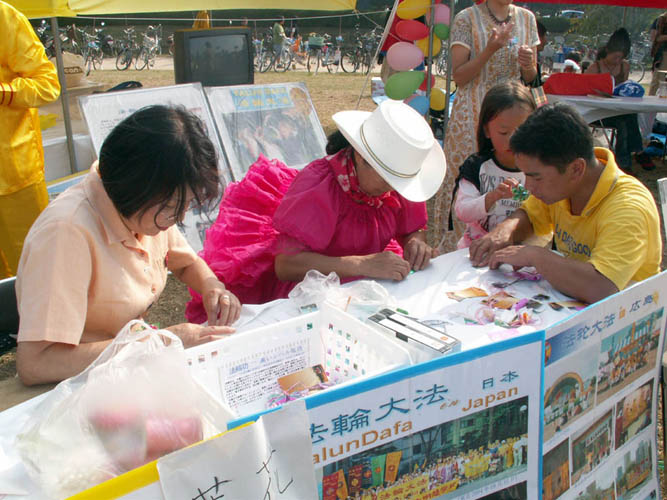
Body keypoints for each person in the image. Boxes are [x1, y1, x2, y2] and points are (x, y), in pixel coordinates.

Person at [15, 106, 242, 386]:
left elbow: (186, 263)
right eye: (172, 206)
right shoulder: (66, 233)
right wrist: (161, 342)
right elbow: (38, 363)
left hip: (123, 367)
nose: (180, 217)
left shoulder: (143, 212)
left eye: (187, 205)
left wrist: (212, 287)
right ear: (134, 187)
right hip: (72, 384)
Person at [186, 100, 446, 320]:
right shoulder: (320, 187)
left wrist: (415, 243)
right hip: (313, 297)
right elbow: (286, 265)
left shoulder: (396, 180)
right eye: (387, 178)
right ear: (360, 156)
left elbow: (413, 228)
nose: (393, 189)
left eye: (399, 182)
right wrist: (362, 264)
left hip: (369, 288)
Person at [468, 103, 661, 305]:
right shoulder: (562, 186)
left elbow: (601, 287)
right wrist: (505, 231)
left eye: (536, 177)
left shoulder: (628, 209)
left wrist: (536, 257)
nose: (529, 187)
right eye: (526, 176)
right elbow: (530, 215)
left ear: (576, 169)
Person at [432, 0, 539, 253]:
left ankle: (513, 238)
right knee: (471, 178)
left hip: (516, 109)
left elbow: (532, 77)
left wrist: (528, 66)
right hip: (474, 114)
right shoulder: (467, 18)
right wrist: (490, 48)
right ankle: (462, 247)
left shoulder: (527, 19)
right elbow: (459, 76)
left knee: (517, 174)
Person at [0, 1, 60, 278]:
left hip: (13, 176)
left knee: (36, 270)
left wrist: (5, 92)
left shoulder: (4, 17)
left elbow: (48, 85)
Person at [453, 82, 536, 249]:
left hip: (522, 255)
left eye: (522, 131)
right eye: (504, 132)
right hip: (476, 251)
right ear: (486, 130)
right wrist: (491, 197)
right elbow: (462, 211)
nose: (513, 140)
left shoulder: (540, 169)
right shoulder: (477, 166)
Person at [586, 28, 654, 172]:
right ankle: (627, 160)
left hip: (617, 109)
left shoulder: (624, 66)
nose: (617, 61)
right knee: (623, 123)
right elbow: (584, 91)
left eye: (620, 58)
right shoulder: (595, 68)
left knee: (630, 115)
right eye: (615, 57)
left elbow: (623, 90)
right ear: (607, 51)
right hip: (598, 112)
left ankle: (634, 154)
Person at [649, 11, 667, 95]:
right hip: (663, 54)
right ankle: (650, 101)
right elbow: (655, 38)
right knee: (657, 81)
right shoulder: (661, 20)